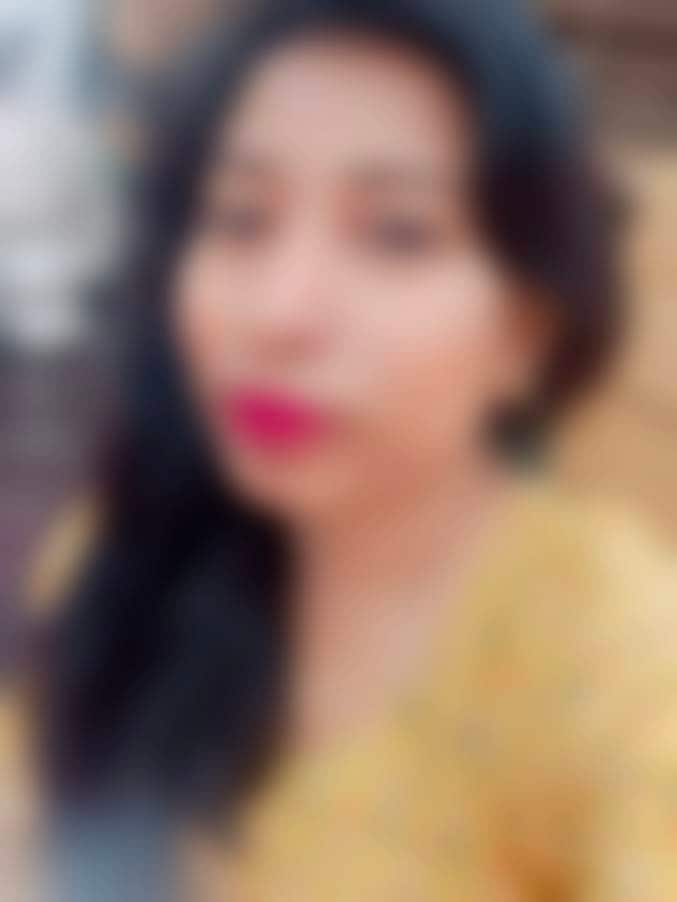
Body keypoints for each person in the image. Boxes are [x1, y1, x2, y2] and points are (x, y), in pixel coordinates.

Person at [3, 1, 677, 899]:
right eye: (241, 219)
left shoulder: (611, 660)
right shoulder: (120, 553)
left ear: (528, 328)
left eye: (396, 234)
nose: (280, 312)